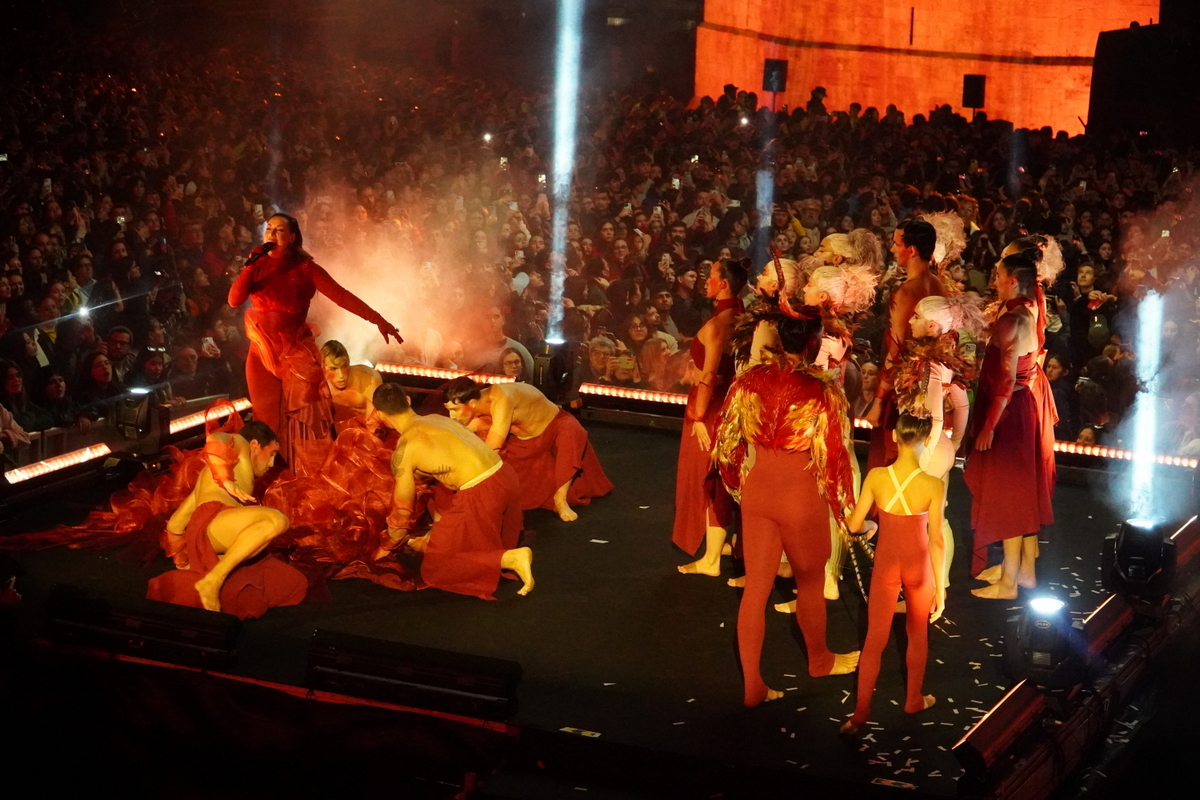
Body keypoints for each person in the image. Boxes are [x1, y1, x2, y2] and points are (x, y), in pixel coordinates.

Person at [713, 311, 859, 705]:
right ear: (813, 344)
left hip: (758, 489)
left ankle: (753, 686)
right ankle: (819, 660)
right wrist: (848, 512)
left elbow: (725, 443)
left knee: (756, 591)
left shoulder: (749, 381)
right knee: (810, 583)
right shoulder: (823, 392)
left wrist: (739, 486)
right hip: (800, 496)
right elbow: (835, 460)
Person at [227, 213, 400, 474]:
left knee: (305, 421)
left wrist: (378, 320)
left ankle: (309, 474)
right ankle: (272, 476)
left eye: (279, 230)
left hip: (295, 354)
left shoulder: (306, 268)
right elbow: (233, 300)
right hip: (261, 353)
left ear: (292, 237)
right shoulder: (257, 262)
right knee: (266, 421)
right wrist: (250, 266)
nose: (272, 234)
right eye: (269, 229)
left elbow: (342, 295)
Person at [371, 383, 534, 599]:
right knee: (463, 538)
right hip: (507, 476)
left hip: (483, 491)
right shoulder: (438, 419)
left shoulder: (405, 449)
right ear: (408, 401)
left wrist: (387, 544)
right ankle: (495, 553)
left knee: (435, 567)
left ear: (381, 415)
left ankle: (508, 559)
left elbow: (402, 513)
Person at [839, 414, 946, 735]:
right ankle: (913, 698)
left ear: (896, 438)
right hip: (919, 568)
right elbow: (937, 539)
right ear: (926, 441)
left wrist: (873, 524)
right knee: (918, 632)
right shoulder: (934, 484)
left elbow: (855, 525)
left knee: (874, 640)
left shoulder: (876, 477)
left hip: (885, 566)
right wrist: (941, 588)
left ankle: (859, 715)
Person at [148, 420, 307, 617]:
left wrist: (185, 567)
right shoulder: (240, 446)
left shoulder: (207, 479)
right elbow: (216, 438)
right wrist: (225, 479)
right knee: (277, 521)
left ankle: (211, 581)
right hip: (213, 519)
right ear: (255, 445)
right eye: (272, 454)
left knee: (292, 580)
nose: (272, 464)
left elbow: (176, 524)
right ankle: (213, 580)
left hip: (207, 531)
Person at [965, 253, 1055, 598]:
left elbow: (1004, 383)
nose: (994, 280)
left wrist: (987, 427)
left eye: (998, 275)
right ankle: (1024, 573)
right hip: (1022, 408)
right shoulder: (1028, 310)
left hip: (1009, 414)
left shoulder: (1014, 320)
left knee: (1009, 497)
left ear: (1013, 280)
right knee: (1020, 493)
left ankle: (1009, 583)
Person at [444, 377, 611, 520]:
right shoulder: (480, 409)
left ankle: (560, 500)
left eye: (455, 410)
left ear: (472, 403)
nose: (452, 416)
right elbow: (456, 433)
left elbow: (493, 448)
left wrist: (467, 476)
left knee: (571, 431)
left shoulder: (502, 399)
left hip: (554, 427)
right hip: (523, 440)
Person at [674, 258, 747, 575]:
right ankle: (724, 547)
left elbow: (710, 373)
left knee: (708, 478)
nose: (706, 280)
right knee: (724, 477)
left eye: (711, 276)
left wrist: (699, 416)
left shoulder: (720, 323)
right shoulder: (743, 316)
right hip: (733, 403)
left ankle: (711, 559)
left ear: (723, 284)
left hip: (712, 406)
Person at [864, 220, 946, 468]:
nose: (891, 249)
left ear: (911, 250)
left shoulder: (906, 293)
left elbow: (896, 348)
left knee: (891, 461)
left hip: (901, 391)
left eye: (895, 243)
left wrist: (878, 401)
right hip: (929, 386)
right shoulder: (941, 286)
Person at [320, 339, 383, 426]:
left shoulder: (369, 380)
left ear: (349, 361)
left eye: (344, 367)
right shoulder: (318, 385)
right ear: (323, 367)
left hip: (367, 433)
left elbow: (375, 425)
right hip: (337, 433)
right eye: (333, 369)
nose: (341, 375)